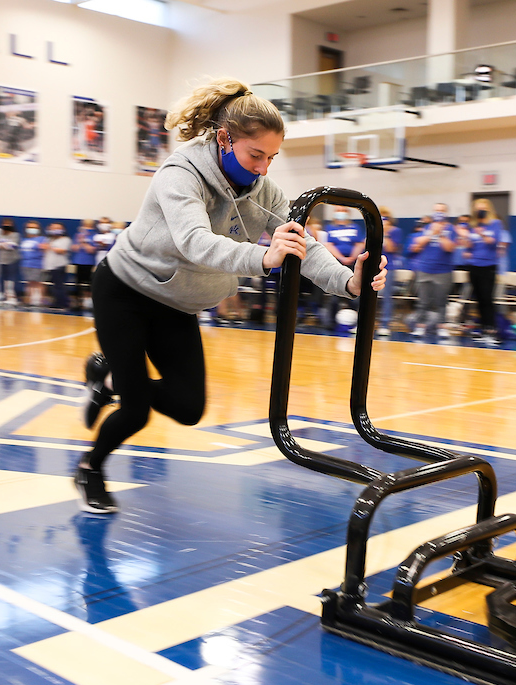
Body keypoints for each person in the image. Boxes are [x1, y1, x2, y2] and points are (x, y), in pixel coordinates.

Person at [75, 78, 387, 513]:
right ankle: (90, 468)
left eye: (271, 158)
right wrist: (263, 259)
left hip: (177, 304)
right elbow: (193, 242)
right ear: (224, 138)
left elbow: (304, 245)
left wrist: (349, 283)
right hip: (126, 290)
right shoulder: (180, 174)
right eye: (254, 154)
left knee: (188, 407)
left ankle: (108, 377)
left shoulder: (264, 191)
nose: (263, 168)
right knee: (136, 410)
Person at [409, 203, 456, 339]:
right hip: (425, 269)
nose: (439, 213)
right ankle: (420, 326)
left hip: (443, 270)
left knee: (441, 301)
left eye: (441, 211)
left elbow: (449, 247)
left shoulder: (451, 229)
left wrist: (440, 233)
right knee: (423, 301)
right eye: (436, 211)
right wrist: (432, 233)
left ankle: (441, 327)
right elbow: (418, 243)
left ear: (446, 213)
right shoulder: (428, 227)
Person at [466, 198, 503, 340]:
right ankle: (483, 328)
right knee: (479, 299)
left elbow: (493, 243)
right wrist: (466, 241)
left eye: (483, 208)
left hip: (488, 266)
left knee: (488, 299)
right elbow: (470, 246)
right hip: (474, 266)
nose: (480, 210)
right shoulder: (473, 225)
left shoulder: (495, 224)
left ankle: (492, 329)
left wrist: (482, 233)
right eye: (477, 208)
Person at [322, 205, 365, 328]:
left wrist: (352, 257)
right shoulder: (330, 228)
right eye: (338, 211)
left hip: (353, 264)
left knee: (354, 294)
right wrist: (341, 258)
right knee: (335, 294)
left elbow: (359, 244)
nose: (341, 213)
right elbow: (329, 245)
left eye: (343, 210)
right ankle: (330, 323)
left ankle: (358, 324)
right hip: (336, 263)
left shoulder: (355, 228)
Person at [377, 206, 405, 337]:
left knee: (387, 297)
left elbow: (392, 248)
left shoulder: (395, 231)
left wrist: (385, 233)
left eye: (385, 218)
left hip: (389, 266)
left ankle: (385, 324)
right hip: (374, 266)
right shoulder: (374, 231)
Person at [71, 219, 98, 311]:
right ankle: (78, 302)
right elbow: (74, 248)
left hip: (89, 262)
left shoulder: (94, 236)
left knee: (88, 283)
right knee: (78, 282)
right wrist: (79, 242)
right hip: (79, 261)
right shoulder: (78, 235)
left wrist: (84, 243)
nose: (86, 228)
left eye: (88, 226)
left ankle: (88, 302)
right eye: (85, 226)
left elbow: (92, 250)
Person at [44, 223, 72, 309]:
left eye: (57, 228)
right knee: (55, 285)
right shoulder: (49, 239)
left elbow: (62, 251)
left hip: (59, 265)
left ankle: (62, 303)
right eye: (53, 229)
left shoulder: (65, 240)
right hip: (51, 266)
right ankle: (57, 301)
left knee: (59, 285)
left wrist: (50, 246)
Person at [19, 220, 47, 307]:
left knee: (38, 283)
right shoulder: (24, 239)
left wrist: (42, 247)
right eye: (29, 228)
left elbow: (45, 249)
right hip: (26, 264)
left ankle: (38, 300)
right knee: (30, 282)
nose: (31, 229)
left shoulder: (42, 239)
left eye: (34, 228)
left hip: (37, 264)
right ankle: (30, 300)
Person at [0, 219, 22, 306]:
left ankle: (11, 297)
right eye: (5, 223)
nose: (6, 225)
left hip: (12, 260)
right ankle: (2, 295)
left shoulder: (16, 234)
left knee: (11, 278)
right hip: (1, 260)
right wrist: (5, 244)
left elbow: (13, 246)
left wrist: (2, 244)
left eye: (8, 223)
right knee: (2, 278)